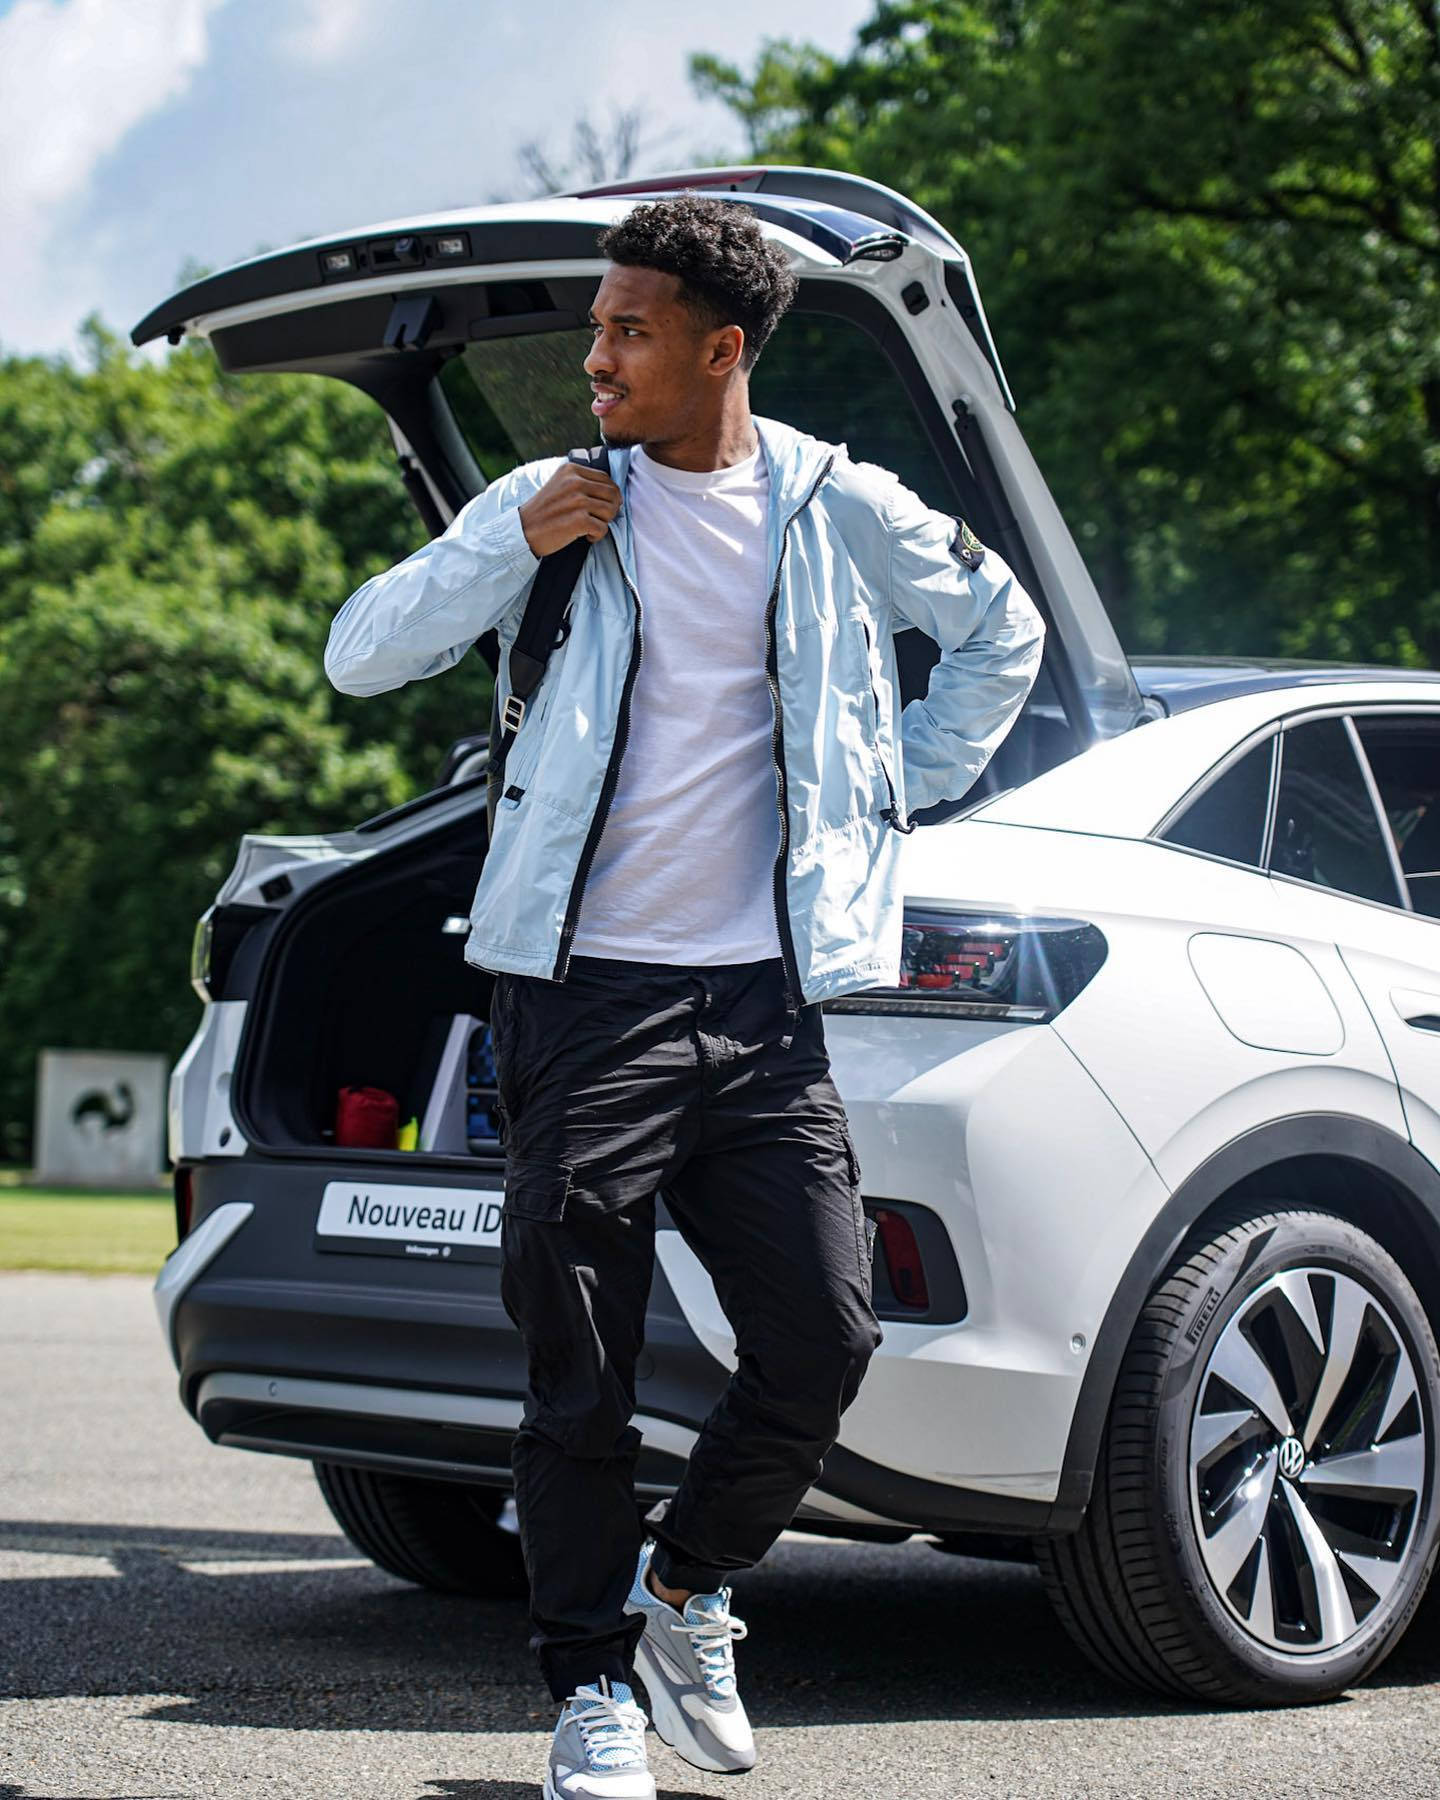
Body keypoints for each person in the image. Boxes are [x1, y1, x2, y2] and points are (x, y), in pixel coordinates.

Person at [325, 193, 1045, 1798]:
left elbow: (1003, 632)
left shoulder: (833, 505)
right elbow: (360, 654)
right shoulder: (555, 502)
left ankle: (687, 1592)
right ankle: (587, 1689)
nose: (594, 358)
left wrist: (883, 807)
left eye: (626, 330)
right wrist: (510, 544)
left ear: (721, 348)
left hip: (765, 1004)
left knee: (824, 1339)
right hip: (582, 1005)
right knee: (580, 1369)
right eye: (596, 327)